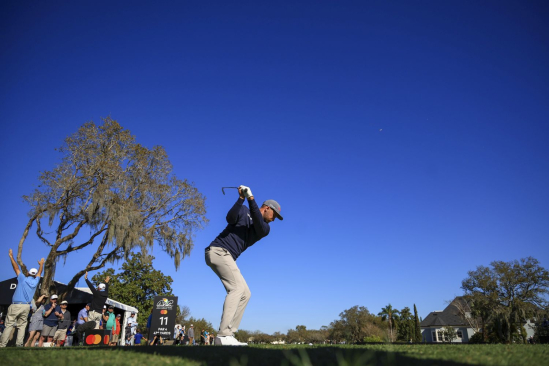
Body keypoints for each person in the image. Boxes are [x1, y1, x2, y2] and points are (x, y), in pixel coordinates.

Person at [205, 186, 283, 346]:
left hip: (227, 256)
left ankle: (229, 334)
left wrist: (251, 198)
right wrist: (241, 198)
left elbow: (258, 223)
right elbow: (230, 218)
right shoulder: (244, 210)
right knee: (237, 289)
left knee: (245, 293)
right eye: (274, 215)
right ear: (267, 209)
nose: (274, 219)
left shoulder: (265, 228)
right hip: (218, 251)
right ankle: (223, 335)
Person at [0, 249, 44, 347]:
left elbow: (16, 268)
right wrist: (41, 264)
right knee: (22, 326)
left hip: (16, 305)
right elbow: (40, 273)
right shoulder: (36, 281)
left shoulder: (22, 278)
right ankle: (19, 345)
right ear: (34, 275)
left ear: (28, 273)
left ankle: (3, 345)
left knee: (9, 325)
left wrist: (11, 257)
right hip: (26, 307)